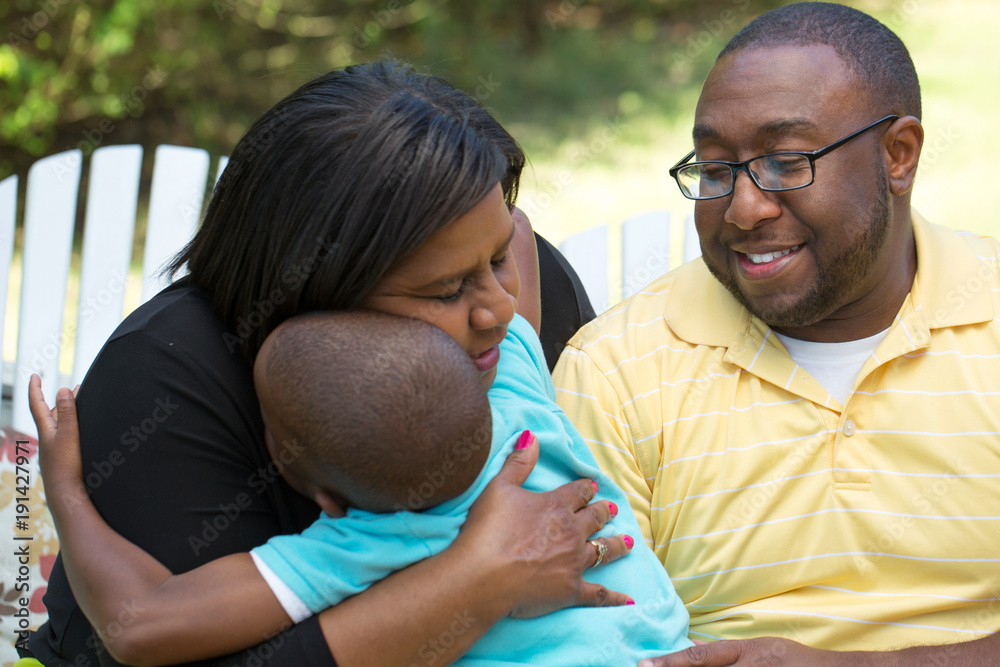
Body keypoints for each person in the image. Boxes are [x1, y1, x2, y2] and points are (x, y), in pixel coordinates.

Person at [25, 59, 630, 666]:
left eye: (498, 257)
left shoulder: (508, 322)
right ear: (317, 283)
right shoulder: (167, 378)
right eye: (446, 289)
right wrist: (482, 579)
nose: (498, 308)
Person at [552, 3, 1000, 665]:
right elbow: (593, 639)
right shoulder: (613, 370)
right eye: (714, 169)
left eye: (788, 162)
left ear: (898, 155)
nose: (744, 208)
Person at [31, 307, 694, 665]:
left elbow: (142, 623)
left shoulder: (363, 541)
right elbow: (510, 230)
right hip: (670, 646)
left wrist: (67, 491)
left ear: (323, 500)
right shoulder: (521, 387)